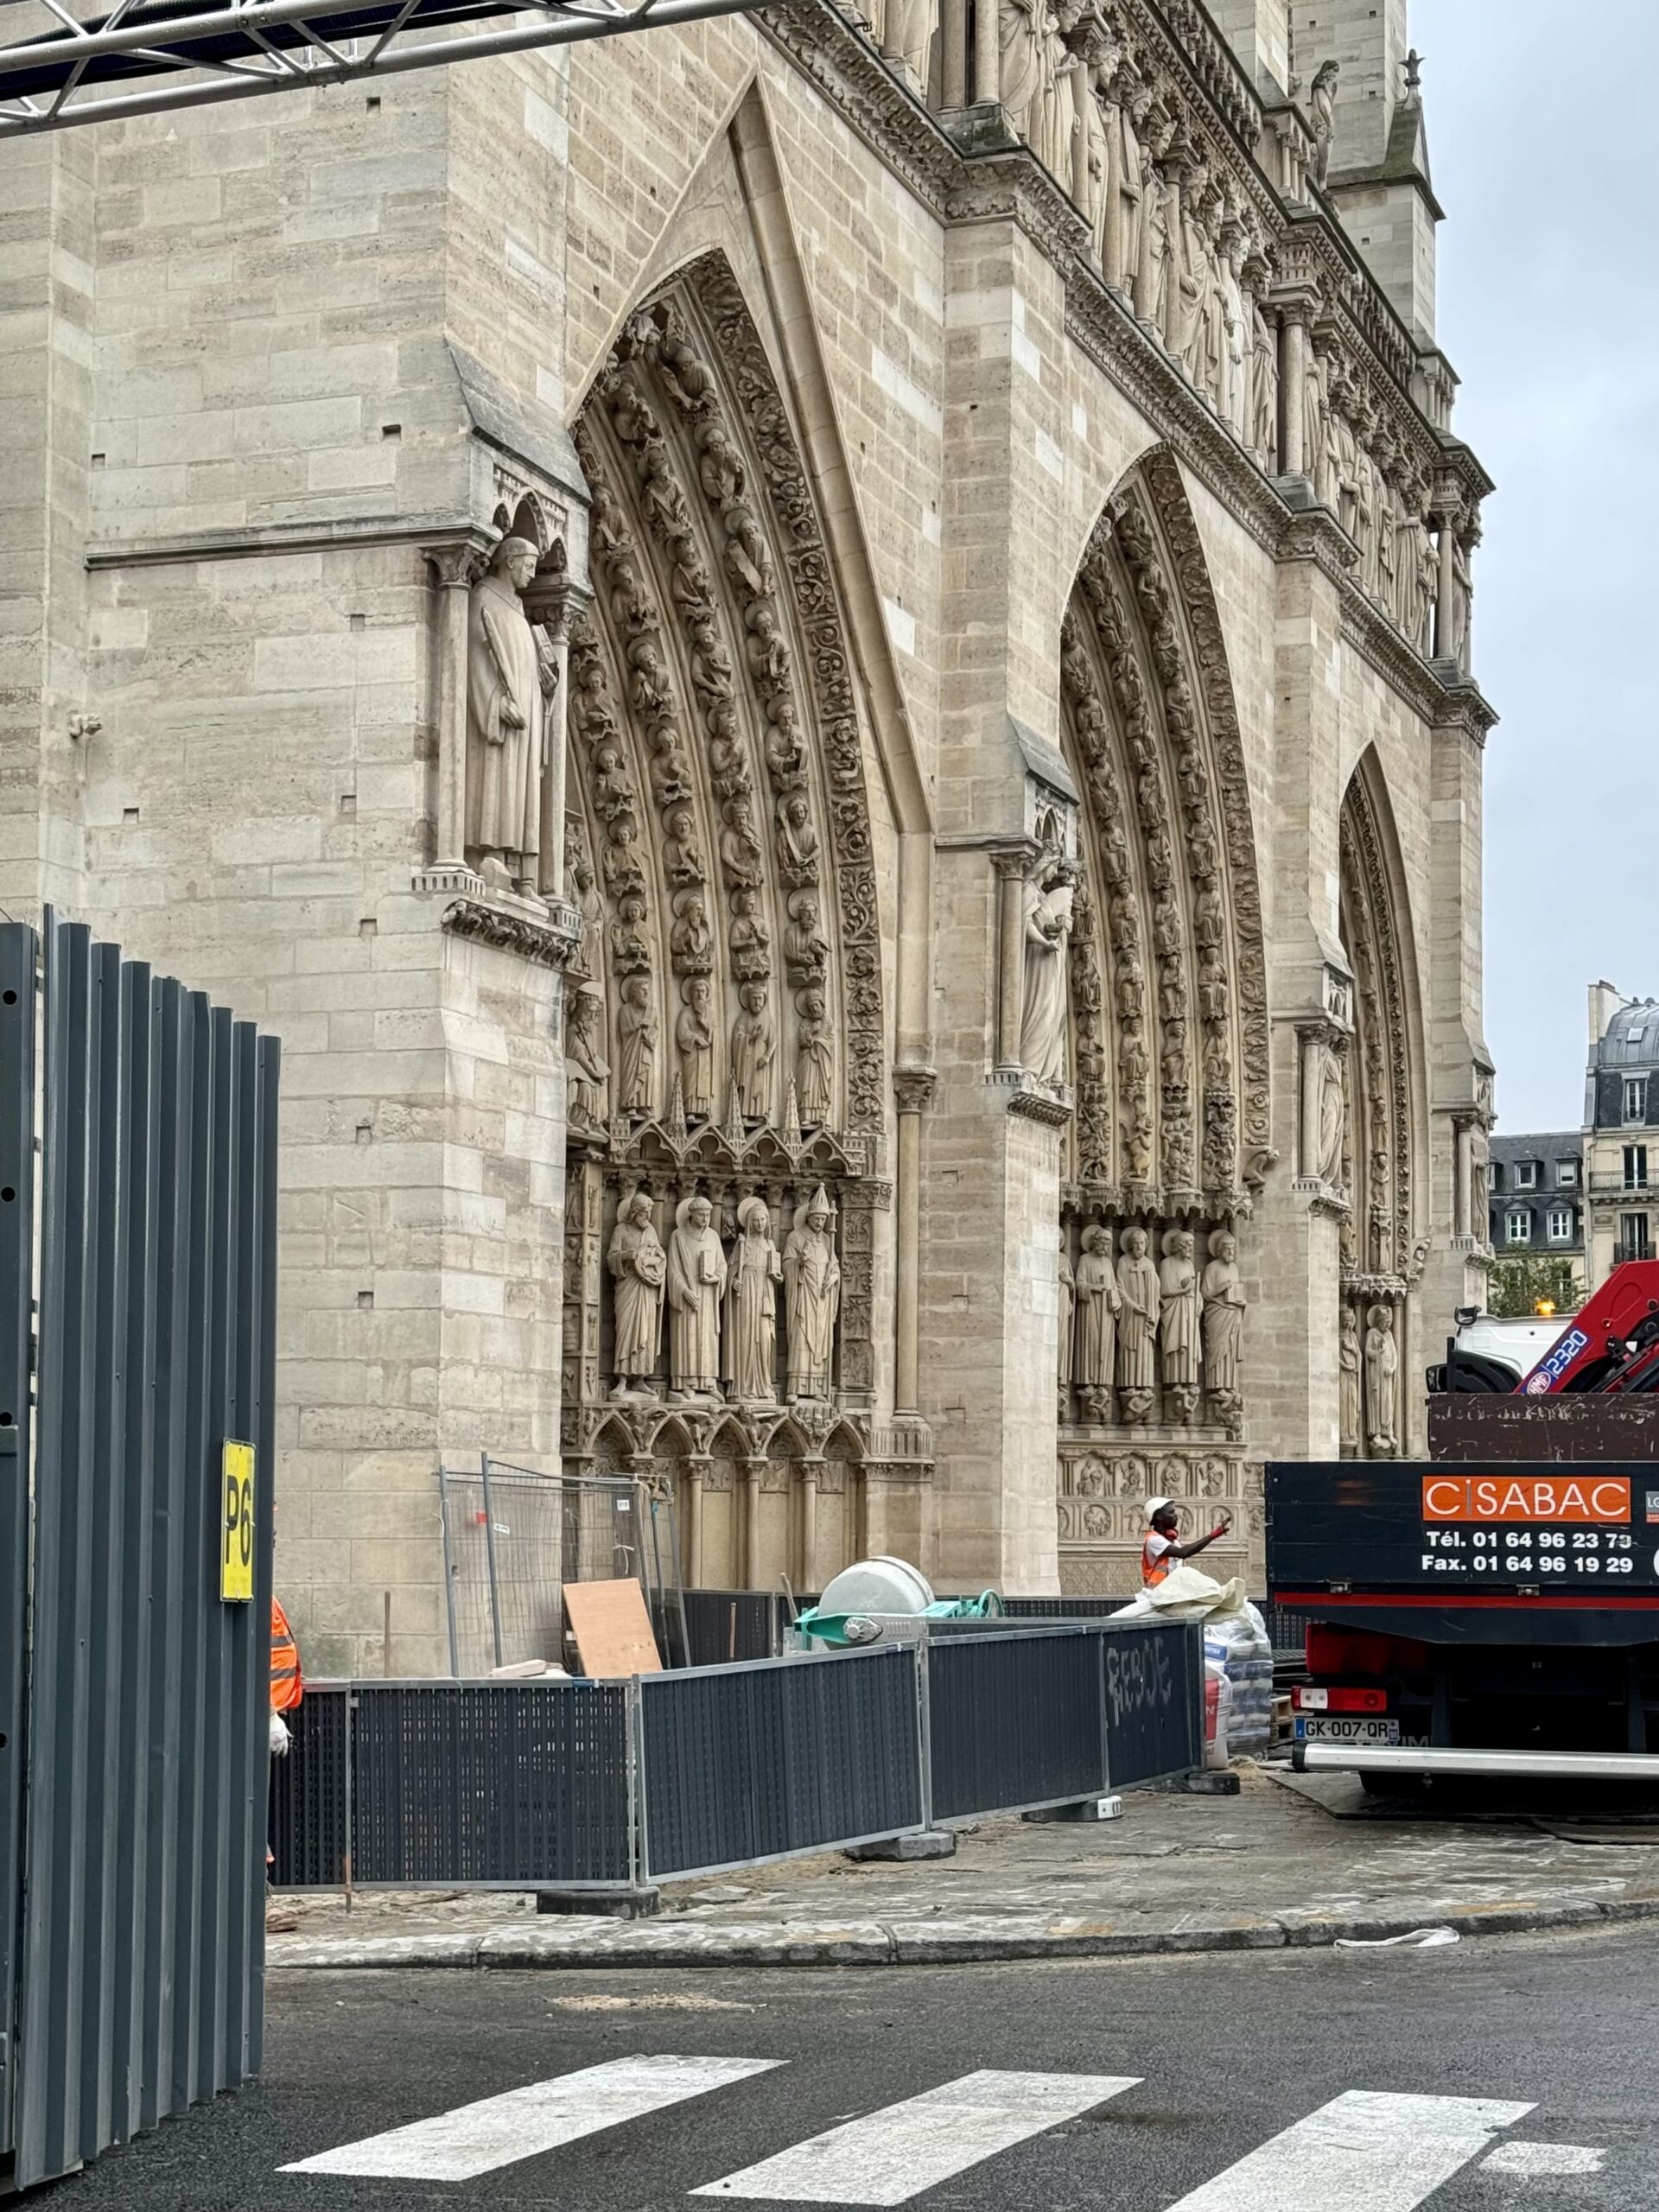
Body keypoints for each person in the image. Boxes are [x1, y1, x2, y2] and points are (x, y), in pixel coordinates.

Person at [268, 1594, 303, 1929]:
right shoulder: (245, 1588)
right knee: (242, 1806)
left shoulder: (261, 1589)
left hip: (264, 1715)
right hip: (254, 1717)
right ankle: (256, 1900)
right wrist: (267, 1713)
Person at [1141, 1496, 1230, 1587]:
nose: (1176, 1515)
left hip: (1171, 1591)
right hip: (1158, 1593)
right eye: (1171, 1512)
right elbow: (1183, 1553)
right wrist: (1212, 1536)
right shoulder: (1154, 1540)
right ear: (1159, 1516)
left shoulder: (1172, 1539)